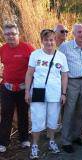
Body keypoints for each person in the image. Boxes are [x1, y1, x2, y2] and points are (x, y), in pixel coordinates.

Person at [25, 29, 69, 159]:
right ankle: (35, 145)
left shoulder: (61, 56)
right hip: (38, 92)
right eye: (46, 40)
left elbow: (65, 75)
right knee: (37, 120)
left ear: (55, 40)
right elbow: (29, 73)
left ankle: (51, 141)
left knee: (53, 120)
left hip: (55, 93)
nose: (49, 42)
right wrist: (27, 91)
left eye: (51, 39)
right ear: (42, 41)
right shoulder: (35, 54)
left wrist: (63, 93)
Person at [0, 22, 35, 153]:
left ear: (18, 34)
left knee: (23, 114)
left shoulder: (27, 48)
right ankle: (3, 142)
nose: (10, 36)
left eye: (13, 34)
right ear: (4, 35)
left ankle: (24, 139)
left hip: (23, 88)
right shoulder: (2, 49)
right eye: (7, 34)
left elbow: (37, 66)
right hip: (7, 88)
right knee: (6, 115)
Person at [60, 24, 82, 153]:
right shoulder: (65, 47)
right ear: (73, 33)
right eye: (79, 32)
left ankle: (76, 136)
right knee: (69, 112)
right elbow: (58, 65)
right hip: (71, 82)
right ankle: (66, 141)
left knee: (81, 112)